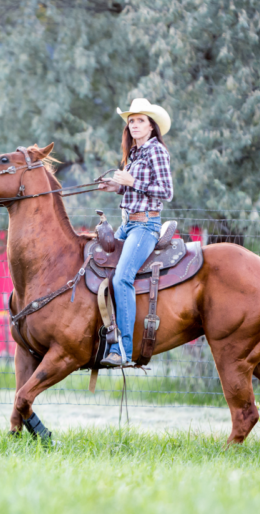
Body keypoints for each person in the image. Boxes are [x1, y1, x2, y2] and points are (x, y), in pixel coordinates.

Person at [97, 98, 173, 367]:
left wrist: (132, 181)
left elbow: (167, 191)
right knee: (99, 269)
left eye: (141, 120)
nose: (135, 125)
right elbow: (133, 188)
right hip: (128, 224)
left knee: (122, 278)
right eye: (131, 121)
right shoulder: (135, 154)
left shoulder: (157, 152)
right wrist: (115, 187)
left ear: (152, 126)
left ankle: (124, 350)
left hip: (146, 226)